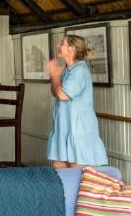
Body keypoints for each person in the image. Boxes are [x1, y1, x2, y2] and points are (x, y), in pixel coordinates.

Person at [46, 35, 108, 168]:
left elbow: (62, 95)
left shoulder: (80, 70)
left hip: (78, 131)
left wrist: (55, 76)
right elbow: (55, 92)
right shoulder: (67, 70)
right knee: (59, 176)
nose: (58, 46)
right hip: (63, 129)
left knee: (77, 178)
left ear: (72, 49)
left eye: (62, 44)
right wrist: (54, 76)